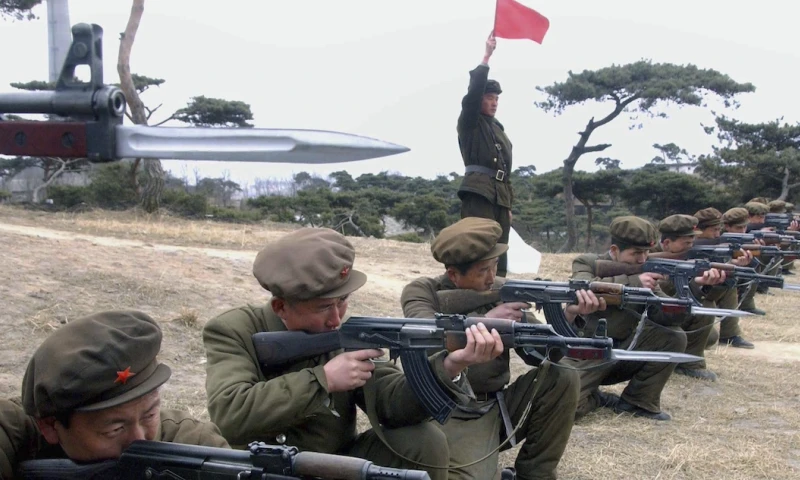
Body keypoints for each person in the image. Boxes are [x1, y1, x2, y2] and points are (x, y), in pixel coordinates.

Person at [203, 227, 503, 480]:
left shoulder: (344, 333)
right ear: (280, 306)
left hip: (336, 463)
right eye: (323, 308)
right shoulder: (233, 329)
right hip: (267, 468)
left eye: (342, 302)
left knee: (423, 439)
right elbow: (230, 413)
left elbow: (392, 402)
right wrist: (323, 380)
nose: (336, 319)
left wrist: (450, 364)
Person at [401, 217, 597, 480]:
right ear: (453, 275)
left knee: (563, 376)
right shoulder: (423, 290)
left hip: (495, 405)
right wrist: (488, 320)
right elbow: (424, 332)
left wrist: (570, 317)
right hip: (447, 410)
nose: (492, 278)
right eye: (482, 271)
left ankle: (535, 473)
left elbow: (539, 353)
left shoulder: (502, 289)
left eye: (494, 266)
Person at [0, 310, 229, 479]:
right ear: (50, 427)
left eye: (149, 415)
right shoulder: (13, 431)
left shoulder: (194, 445)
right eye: (114, 429)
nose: (139, 438)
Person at [570, 216, 725, 421]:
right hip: (589, 352)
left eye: (646, 252)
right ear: (615, 250)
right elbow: (581, 287)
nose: (643, 260)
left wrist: (696, 287)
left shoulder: (644, 271)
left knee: (673, 336)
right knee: (570, 409)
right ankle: (598, 399)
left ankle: (638, 400)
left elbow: (667, 315)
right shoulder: (587, 262)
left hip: (625, 350)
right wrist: (634, 282)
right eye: (636, 253)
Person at [456, 32, 515, 278]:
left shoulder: (497, 128)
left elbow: (506, 169)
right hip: (478, 191)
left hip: (499, 194)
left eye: (496, 99)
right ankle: (470, 286)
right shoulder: (470, 122)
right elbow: (473, 93)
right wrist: (486, 56)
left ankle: (497, 287)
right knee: (479, 243)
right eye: (489, 98)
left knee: (500, 246)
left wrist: (508, 203)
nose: (494, 103)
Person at [654, 214, 719, 381]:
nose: (690, 248)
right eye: (686, 243)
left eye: (692, 243)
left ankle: (684, 357)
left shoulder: (687, 257)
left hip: (671, 314)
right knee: (703, 311)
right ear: (667, 243)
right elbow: (660, 294)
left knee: (711, 336)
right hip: (652, 316)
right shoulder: (649, 259)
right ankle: (689, 364)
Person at [693, 207, 756, 349]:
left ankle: (730, 334)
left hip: (702, 293)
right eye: (713, 230)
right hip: (689, 299)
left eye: (718, 230)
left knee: (729, 285)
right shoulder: (688, 249)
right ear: (698, 230)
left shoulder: (713, 245)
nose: (717, 234)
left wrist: (731, 265)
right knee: (709, 338)